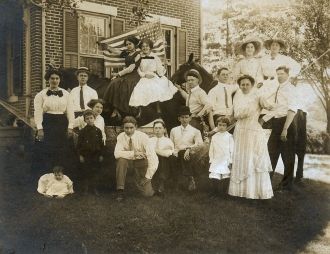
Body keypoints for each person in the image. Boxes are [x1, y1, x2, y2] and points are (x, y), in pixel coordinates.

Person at [228, 75, 274, 199]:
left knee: (253, 159)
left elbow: (272, 108)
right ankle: (239, 192)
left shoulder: (259, 95)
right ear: (239, 85)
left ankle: (255, 192)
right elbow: (233, 114)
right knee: (240, 158)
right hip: (240, 131)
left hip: (253, 131)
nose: (244, 86)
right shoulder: (237, 96)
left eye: (247, 84)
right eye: (242, 84)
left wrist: (263, 119)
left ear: (252, 85)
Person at [265, 66, 298, 191]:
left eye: (282, 74)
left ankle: (286, 185)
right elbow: (276, 108)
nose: (279, 76)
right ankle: (266, 182)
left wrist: (285, 129)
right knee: (271, 152)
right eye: (278, 74)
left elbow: (292, 110)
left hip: (287, 123)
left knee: (287, 155)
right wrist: (264, 119)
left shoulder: (291, 89)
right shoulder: (278, 88)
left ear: (287, 75)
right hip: (277, 122)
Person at [34, 69, 74, 169]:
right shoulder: (41, 95)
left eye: (57, 78)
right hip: (47, 123)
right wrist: (40, 128)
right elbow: (38, 112)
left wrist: (70, 127)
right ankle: (47, 174)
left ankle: (61, 176)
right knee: (47, 150)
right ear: (48, 79)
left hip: (62, 124)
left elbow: (70, 111)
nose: (55, 81)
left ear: (60, 80)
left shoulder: (66, 94)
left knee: (62, 150)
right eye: (52, 78)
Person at [114, 116, 158, 201]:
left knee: (147, 194)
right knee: (121, 160)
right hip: (128, 163)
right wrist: (134, 153)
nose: (129, 130)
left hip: (141, 163)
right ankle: (120, 190)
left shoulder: (143, 137)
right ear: (123, 127)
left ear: (136, 127)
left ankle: (139, 181)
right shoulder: (120, 136)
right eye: (126, 128)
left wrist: (148, 177)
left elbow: (153, 157)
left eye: (131, 128)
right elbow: (117, 153)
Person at [129, 38, 177, 115]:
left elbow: (159, 69)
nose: (145, 48)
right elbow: (138, 69)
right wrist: (144, 75)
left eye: (147, 46)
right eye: (143, 46)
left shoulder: (155, 57)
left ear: (150, 47)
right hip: (144, 76)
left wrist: (163, 69)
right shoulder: (139, 57)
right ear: (141, 48)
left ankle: (158, 107)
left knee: (157, 87)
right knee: (140, 88)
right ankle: (140, 108)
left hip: (154, 76)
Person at [102, 36, 141, 117]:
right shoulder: (127, 53)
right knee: (114, 83)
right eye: (127, 44)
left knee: (126, 86)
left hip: (134, 74)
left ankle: (130, 109)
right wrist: (107, 47)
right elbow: (117, 52)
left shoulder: (138, 54)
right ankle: (115, 108)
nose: (128, 46)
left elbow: (131, 68)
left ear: (134, 44)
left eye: (130, 44)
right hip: (126, 74)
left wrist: (118, 74)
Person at [170, 106, 203, 191]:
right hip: (176, 152)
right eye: (182, 117)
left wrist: (189, 148)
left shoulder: (195, 131)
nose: (184, 120)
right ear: (179, 118)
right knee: (172, 157)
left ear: (190, 118)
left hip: (188, 154)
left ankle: (189, 179)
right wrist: (173, 152)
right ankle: (177, 182)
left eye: (186, 117)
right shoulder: (174, 130)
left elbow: (199, 144)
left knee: (183, 154)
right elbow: (171, 144)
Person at [175, 69, 212, 134]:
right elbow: (188, 98)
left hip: (195, 121)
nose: (190, 82)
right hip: (189, 120)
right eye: (188, 80)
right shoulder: (191, 92)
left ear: (198, 80)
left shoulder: (200, 92)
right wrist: (180, 89)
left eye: (192, 80)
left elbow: (209, 105)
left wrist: (199, 115)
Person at [77, 110, 105, 195]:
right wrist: (81, 155)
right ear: (85, 120)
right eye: (87, 118)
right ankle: (86, 189)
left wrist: (101, 155)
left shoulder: (98, 131)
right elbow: (79, 145)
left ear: (94, 118)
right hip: (86, 155)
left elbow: (101, 144)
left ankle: (95, 188)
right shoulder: (82, 132)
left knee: (95, 171)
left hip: (96, 155)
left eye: (91, 118)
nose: (89, 120)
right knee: (86, 171)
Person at [148, 119, 175, 196]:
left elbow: (169, 153)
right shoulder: (150, 140)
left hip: (163, 162)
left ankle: (161, 183)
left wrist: (156, 150)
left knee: (163, 157)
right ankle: (151, 183)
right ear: (153, 130)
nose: (157, 130)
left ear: (164, 129)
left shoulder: (168, 141)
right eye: (156, 128)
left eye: (160, 128)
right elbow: (147, 151)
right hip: (152, 161)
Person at [208, 116, 234, 195]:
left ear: (227, 126)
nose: (221, 127)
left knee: (225, 175)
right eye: (219, 125)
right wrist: (211, 159)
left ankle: (223, 192)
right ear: (217, 126)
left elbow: (232, 150)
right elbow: (211, 149)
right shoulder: (214, 137)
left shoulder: (229, 136)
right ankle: (215, 192)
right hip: (216, 158)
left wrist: (230, 161)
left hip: (225, 159)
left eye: (224, 125)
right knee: (215, 174)